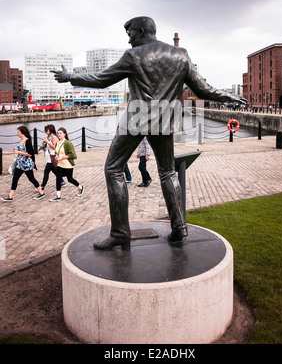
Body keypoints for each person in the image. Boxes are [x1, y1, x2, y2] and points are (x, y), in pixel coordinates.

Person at [51, 16, 244, 249]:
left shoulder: (133, 56)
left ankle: (121, 232)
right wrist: (228, 95)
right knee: (168, 172)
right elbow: (202, 88)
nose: (129, 38)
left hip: (137, 118)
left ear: (141, 31)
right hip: (165, 119)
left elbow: (102, 80)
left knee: (113, 168)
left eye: (130, 33)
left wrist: (71, 76)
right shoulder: (180, 54)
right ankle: (179, 226)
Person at [2, 126, 44, 201]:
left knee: (31, 178)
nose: (17, 133)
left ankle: (41, 193)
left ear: (22, 132)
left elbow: (30, 153)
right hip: (20, 163)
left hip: (26, 164)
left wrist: (18, 152)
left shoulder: (27, 141)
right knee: (15, 178)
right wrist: (16, 152)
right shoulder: (21, 140)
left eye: (18, 132)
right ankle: (10, 196)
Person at [50, 127, 84, 201]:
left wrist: (62, 157)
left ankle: (80, 187)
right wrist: (56, 156)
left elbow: (74, 155)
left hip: (68, 164)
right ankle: (58, 195)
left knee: (70, 179)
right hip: (60, 164)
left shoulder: (68, 143)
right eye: (58, 133)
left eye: (60, 133)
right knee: (58, 179)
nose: (59, 134)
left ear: (64, 134)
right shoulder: (57, 143)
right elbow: (57, 152)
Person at [40, 124, 65, 191]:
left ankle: (42, 186)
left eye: (46, 130)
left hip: (52, 157)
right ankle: (62, 181)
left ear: (50, 130)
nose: (45, 131)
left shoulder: (54, 137)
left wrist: (47, 142)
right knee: (54, 170)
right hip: (49, 157)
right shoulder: (49, 137)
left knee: (46, 172)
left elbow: (55, 147)